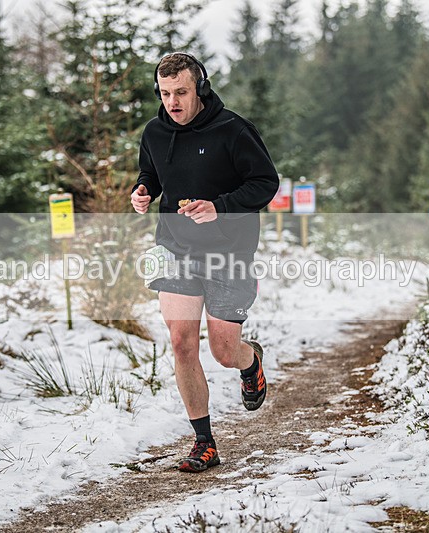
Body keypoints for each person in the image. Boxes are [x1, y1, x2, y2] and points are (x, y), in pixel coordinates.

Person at [130, 52, 279, 473]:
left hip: (229, 252)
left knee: (224, 351)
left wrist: (221, 206)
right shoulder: (155, 131)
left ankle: (250, 362)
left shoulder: (233, 130)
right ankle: (204, 441)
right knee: (180, 342)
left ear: (200, 88)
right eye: (165, 93)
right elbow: (151, 174)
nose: (172, 102)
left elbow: (265, 183)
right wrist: (143, 191)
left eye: (181, 92)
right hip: (175, 248)